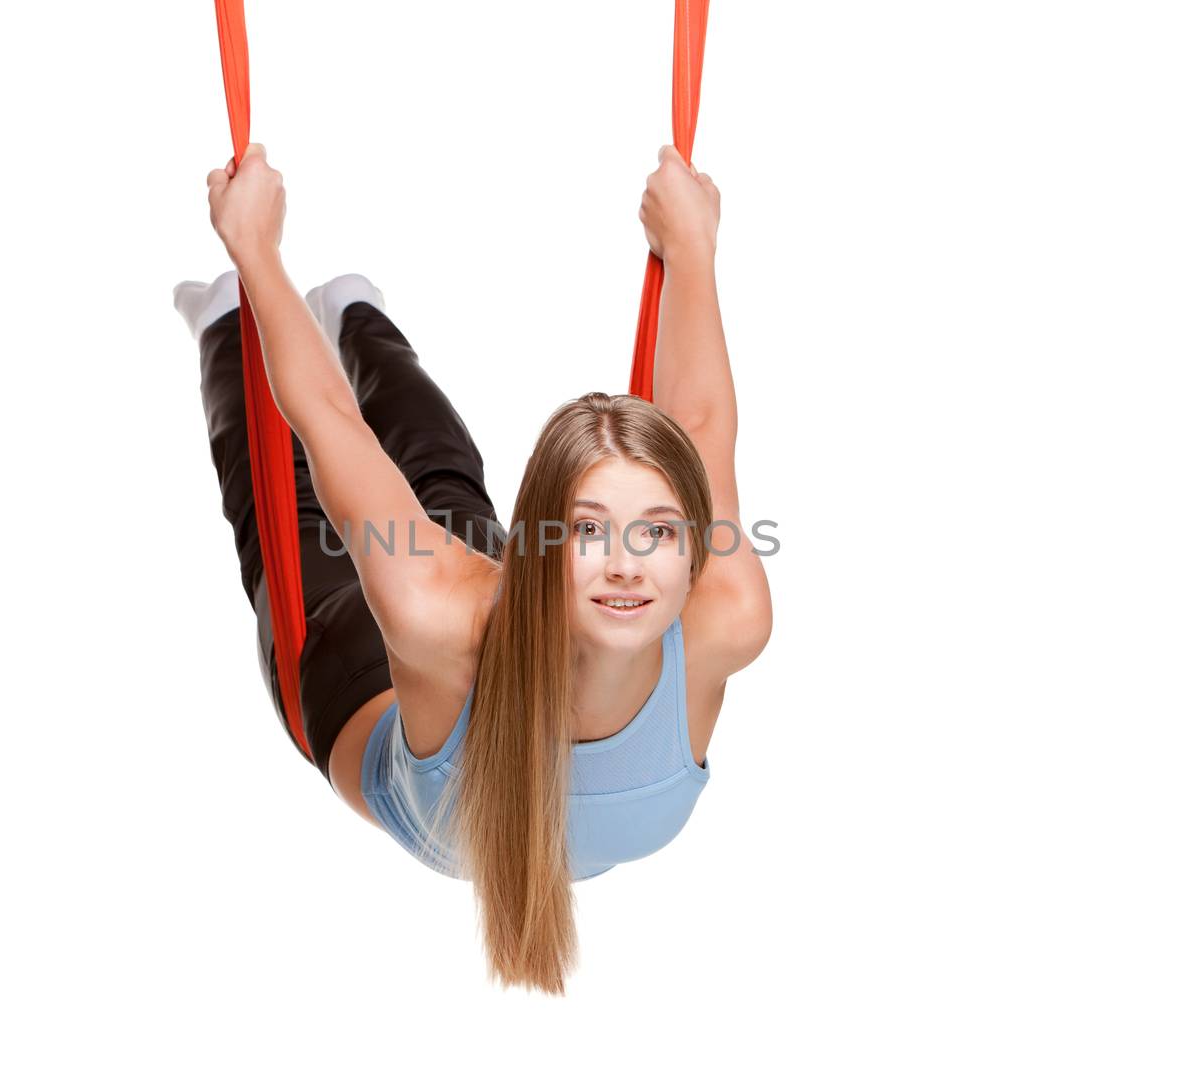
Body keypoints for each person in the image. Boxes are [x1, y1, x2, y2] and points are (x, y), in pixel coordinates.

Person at [173, 143, 772, 994]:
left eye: (660, 532)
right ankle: (224, 320)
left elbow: (703, 422)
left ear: (691, 550)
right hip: (372, 672)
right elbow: (326, 421)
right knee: (300, 513)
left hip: (460, 639)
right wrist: (256, 254)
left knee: (446, 485)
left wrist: (694, 247)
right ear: (538, 545)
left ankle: (355, 317)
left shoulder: (729, 611)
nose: (629, 565)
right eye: (590, 529)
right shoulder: (436, 609)